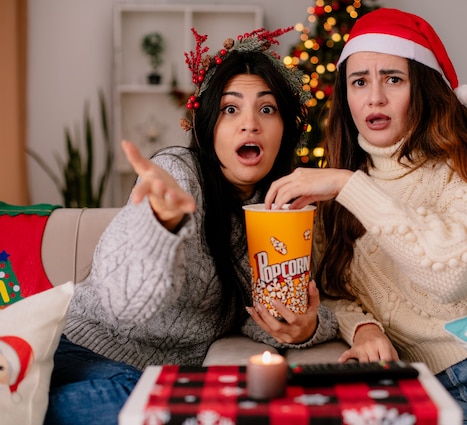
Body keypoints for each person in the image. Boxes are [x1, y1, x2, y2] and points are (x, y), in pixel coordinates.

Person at [264, 8, 467, 425]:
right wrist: (363, 328)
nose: (375, 97)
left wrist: (347, 186)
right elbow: (334, 291)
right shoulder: (339, 197)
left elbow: (451, 275)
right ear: (348, 98)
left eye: (393, 79)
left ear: (423, 87)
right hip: (425, 384)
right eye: (360, 82)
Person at [45, 27, 338, 425]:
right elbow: (123, 305)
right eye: (231, 109)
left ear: (285, 128)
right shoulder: (177, 177)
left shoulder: (287, 211)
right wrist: (161, 226)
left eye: (267, 109)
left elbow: (266, 319)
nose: (249, 124)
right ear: (208, 127)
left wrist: (306, 328)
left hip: (148, 379)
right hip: (76, 351)